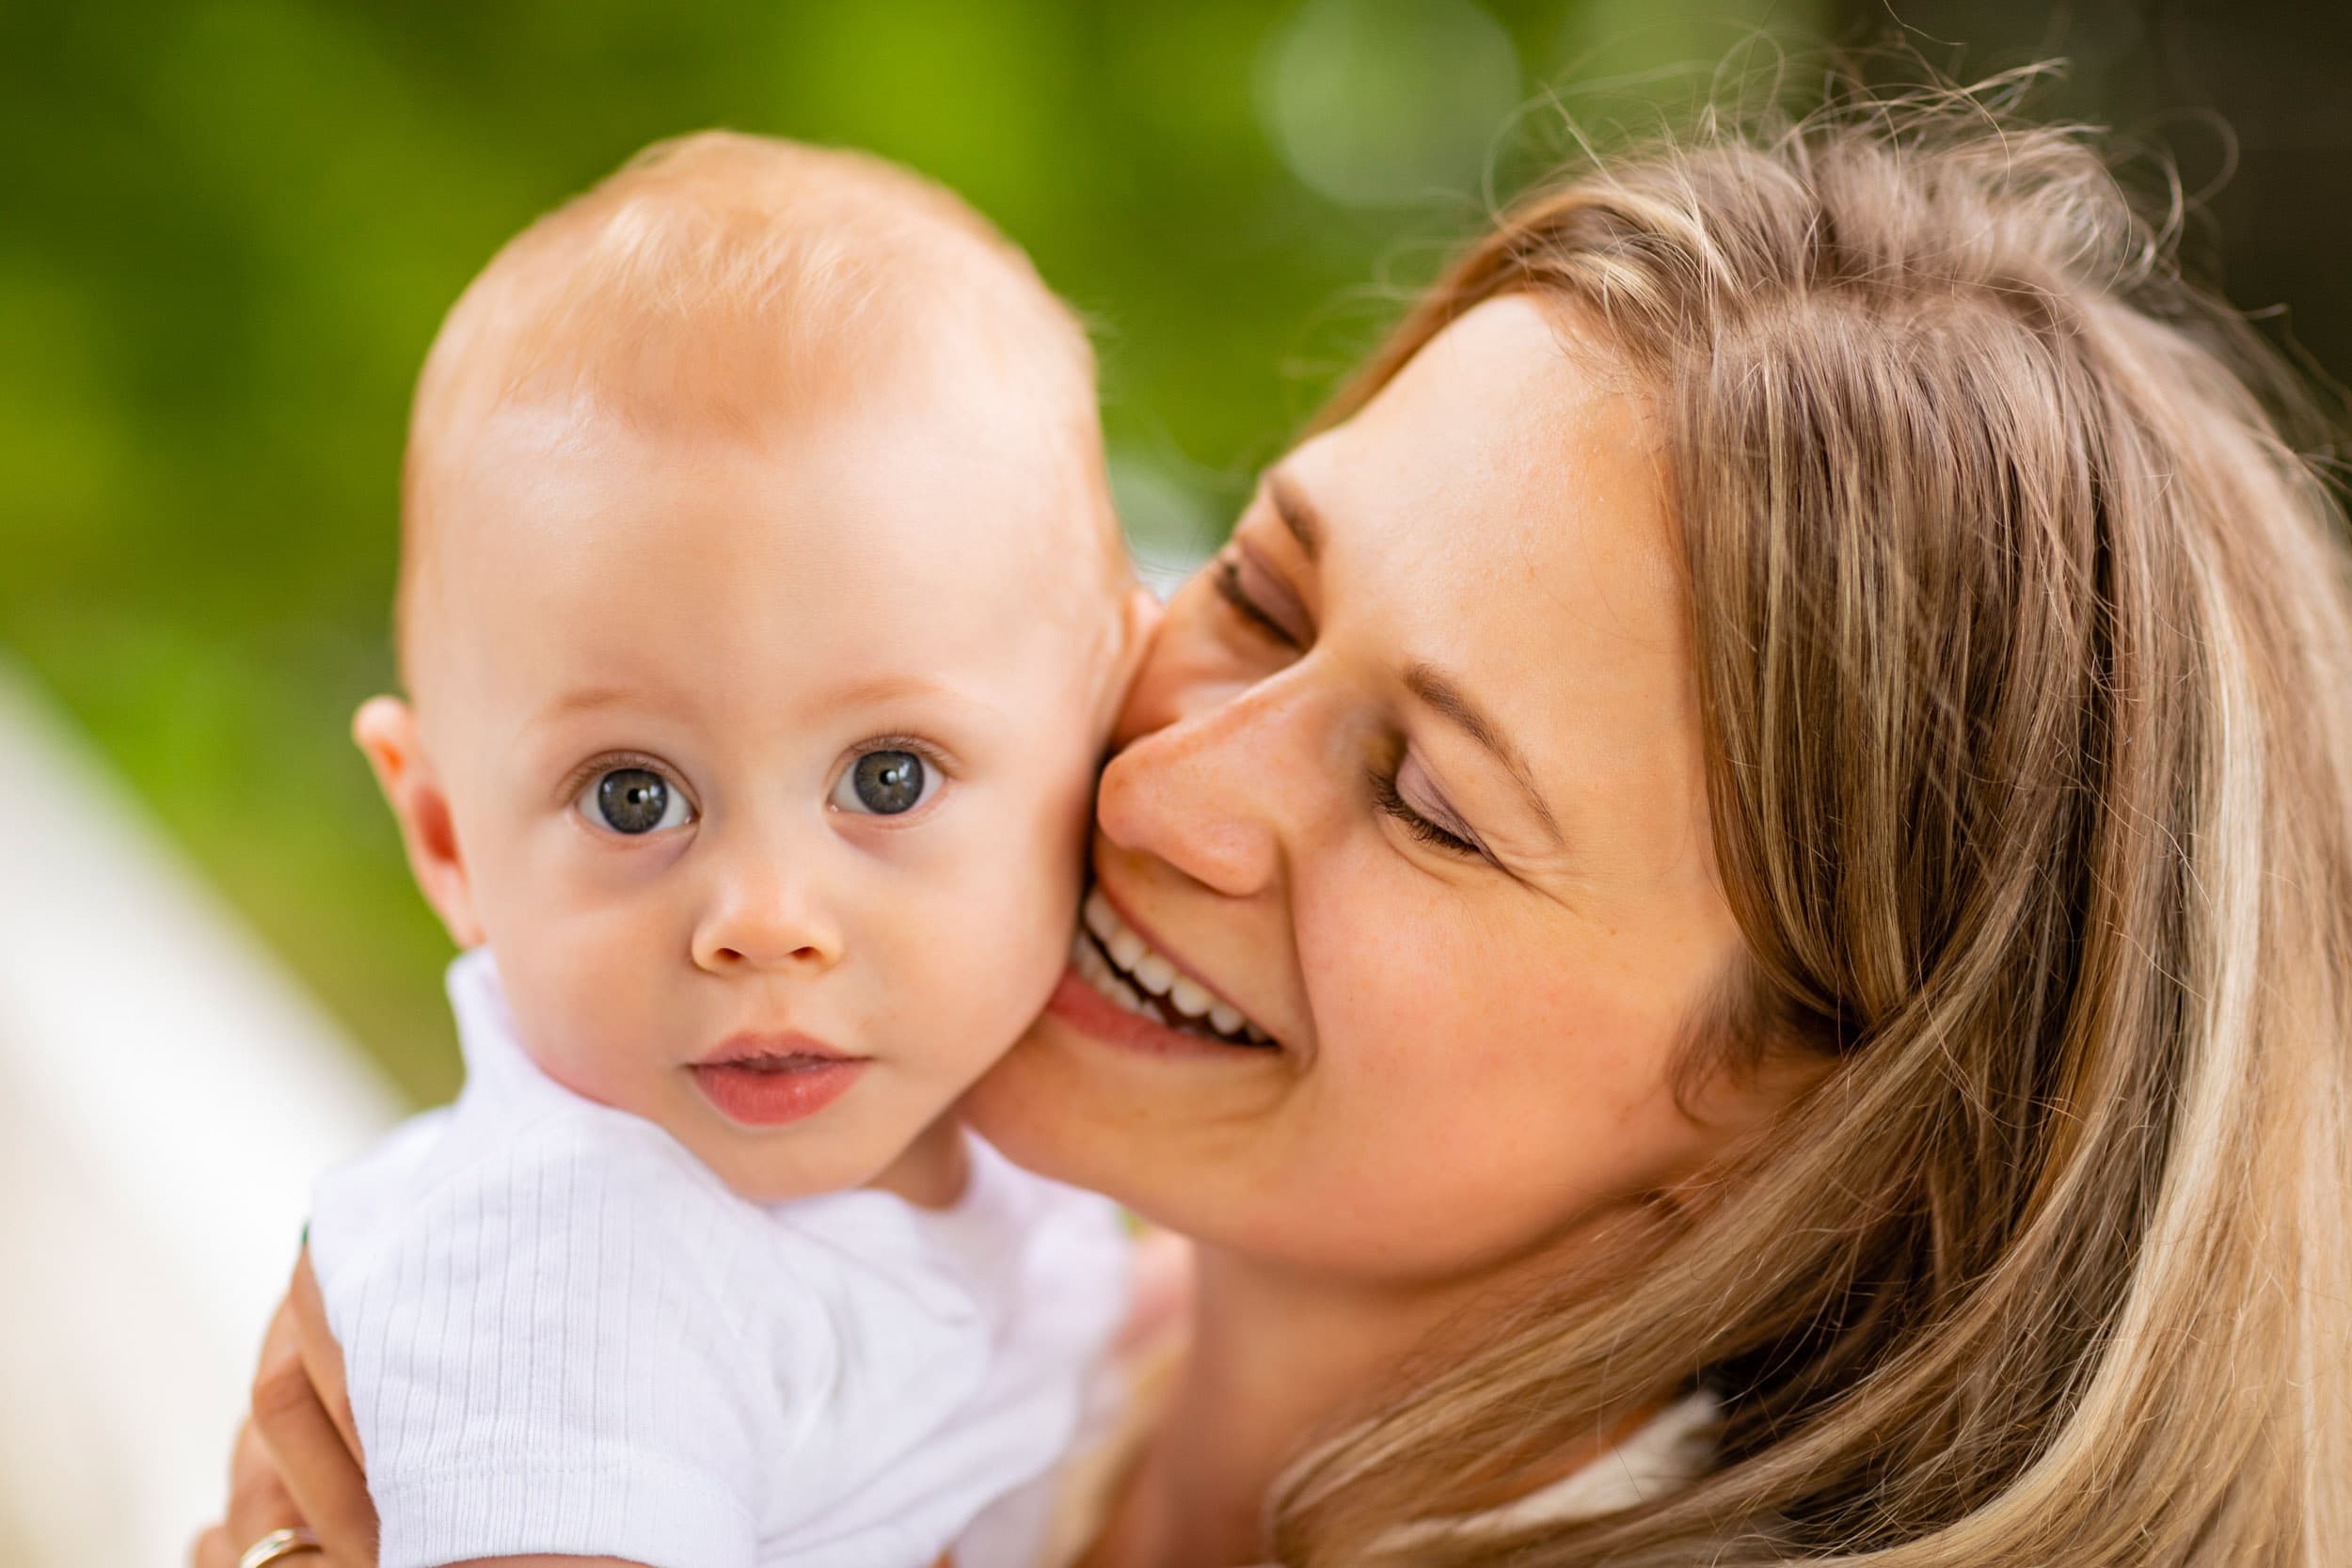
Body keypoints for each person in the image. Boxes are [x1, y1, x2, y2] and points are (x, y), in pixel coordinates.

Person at [199, 71, 2352, 1568]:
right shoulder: (932, 1312)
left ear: (1812, 1115)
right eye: (1257, 592)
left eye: (1424, 798)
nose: (1163, 781)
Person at [230, 130, 1160, 1568]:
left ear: (1095, 740)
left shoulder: (1005, 1136)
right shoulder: (572, 1269)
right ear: (446, 838)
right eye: (631, 798)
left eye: (888, 775)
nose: (766, 918)